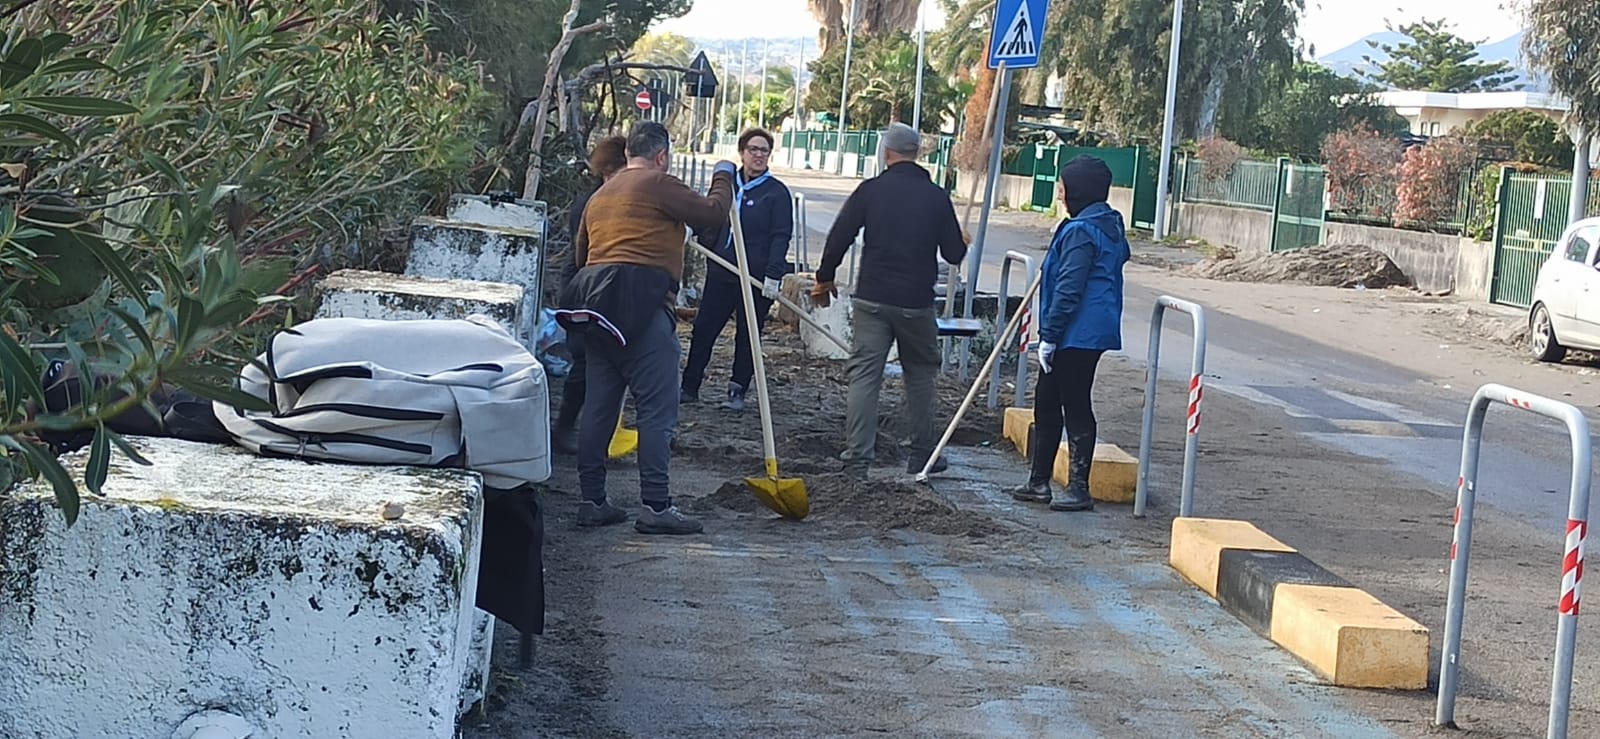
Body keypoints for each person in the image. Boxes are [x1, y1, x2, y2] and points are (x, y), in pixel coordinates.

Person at [559, 122, 736, 535]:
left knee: (600, 409)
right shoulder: (657, 182)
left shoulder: (600, 196)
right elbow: (712, 213)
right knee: (657, 410)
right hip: (644, 310)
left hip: (598, 314)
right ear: (661, 156)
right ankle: (656, 505)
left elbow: (584, 256)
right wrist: (723, 176)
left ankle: (592, 501)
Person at [811, 122, 966, 480]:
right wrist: (963, 239)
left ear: (886, 153)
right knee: (921, 374)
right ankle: (922, 454)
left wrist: (824, 276)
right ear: (917, 154)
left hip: (872, 298)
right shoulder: (936, 196)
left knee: (865, 375)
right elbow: (953, 254)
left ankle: (857, 460)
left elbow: (840, 235)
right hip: (915, 302)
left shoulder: (871, 190)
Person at [1007, 155, 1130, 512]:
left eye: (1063, 186)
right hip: (1082, 330)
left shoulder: (1082, 231)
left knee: (1074, 402)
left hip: (1079, 333)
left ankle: (1079, 488)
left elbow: (1069, 288)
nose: (1059, 193)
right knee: (1046, 400)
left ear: (1077, 190)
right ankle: (1038, 481)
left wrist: (1050, 334)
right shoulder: (1103, 223)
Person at [680, 128, 794, 411]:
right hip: (721, 271)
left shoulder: (776, 193)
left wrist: (774, 274)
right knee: (704, 330)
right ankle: (689, 386)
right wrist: (690, 229)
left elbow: (781, 234)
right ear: (742, 152)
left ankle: (737, 391)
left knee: (748, 336)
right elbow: (709, 213)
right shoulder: (728, 185)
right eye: (753, 149)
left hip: (755, 278)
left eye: (764, 151)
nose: (758, 155)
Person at [553, 135, 629, 455]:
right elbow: (587, 254)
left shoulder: (615, 198)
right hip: (585, 291)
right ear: (608, 171)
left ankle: (595, 430)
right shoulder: (593, 203)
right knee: (584, 365)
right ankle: (565, 428)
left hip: (599, 288)